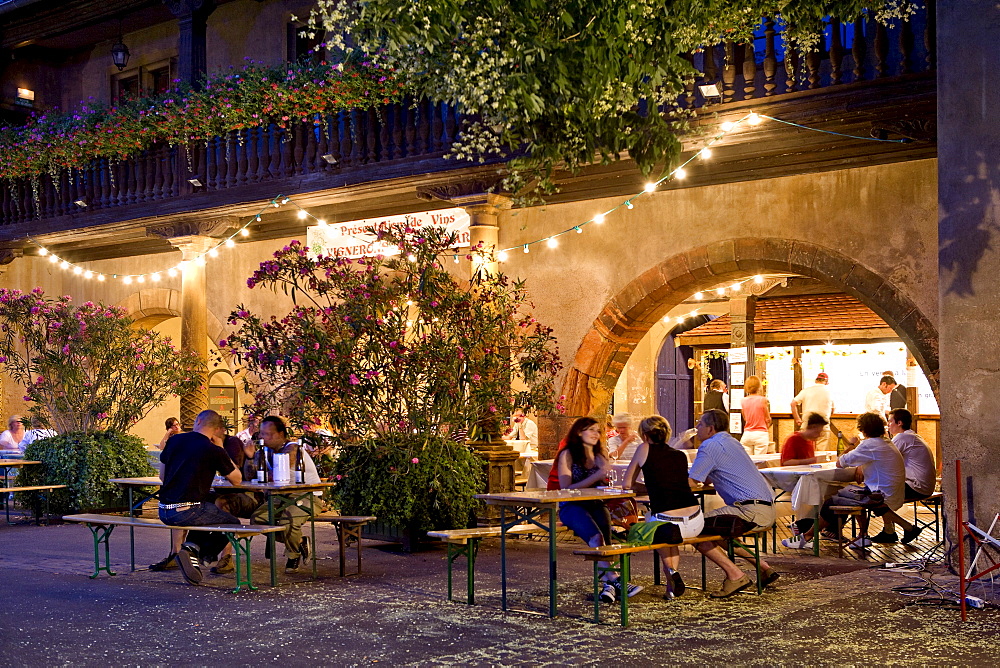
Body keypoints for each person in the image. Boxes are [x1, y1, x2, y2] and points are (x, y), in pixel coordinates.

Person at [688, 409, 780, 598]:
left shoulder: (710, 446)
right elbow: (706, 478)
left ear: (710, 428)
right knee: (718, 527)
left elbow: (692, 482)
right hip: (765, 508)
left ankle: (735, 575)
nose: (697, 428)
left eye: (700, 424)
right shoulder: (731, 442)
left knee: (693, 528)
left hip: (748, 510)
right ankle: (763, 568)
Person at [783, 412, 905, 551]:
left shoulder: (869, 444)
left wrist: (851, 445)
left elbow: (840, 463)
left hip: (880, 494)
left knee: (832, 501)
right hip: (892, 491)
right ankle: (860, 535)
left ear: (863, 429)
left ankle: (807, 537)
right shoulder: (885, 442)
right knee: (846, 493)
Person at [555, 417, 642, 604]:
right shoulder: (568, 454)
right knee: (596, 538)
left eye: (598, 431)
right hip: (572, 506)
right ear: (579, 432)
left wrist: (605, 481)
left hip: (596, 503)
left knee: (607, 544)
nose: (596, 434)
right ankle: (617, 581)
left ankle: (608, 585)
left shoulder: (599, 455)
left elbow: (604, 480)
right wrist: (597, 476)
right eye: (591, 430)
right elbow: (565, 488)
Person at [157, 409, 242, 585]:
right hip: (188, 509)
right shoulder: (212, 449)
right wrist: (220, 447)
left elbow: (162, 477)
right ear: (217, 428)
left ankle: (191, 552)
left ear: (198, 422)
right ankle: (192, 550)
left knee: (207, 511)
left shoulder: (174, 441)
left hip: (164, 510)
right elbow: (237, 480)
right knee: (232, 523)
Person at [624, 415, 701, 599]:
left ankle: (671, 571)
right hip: (696, 521)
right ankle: (670, 589)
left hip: (668, 521)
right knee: (669, 535)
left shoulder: (644, 448)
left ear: (644, 434)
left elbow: (627, 484)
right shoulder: (679, 455)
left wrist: (649, 487)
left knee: (653, 525)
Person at [252, 416, 313, 572]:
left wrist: (261, 464)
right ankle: (299, 542)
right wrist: (252, 456)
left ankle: (293, 555)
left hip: (306, 494)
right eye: (261, 434)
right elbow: (250, 474)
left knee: (288, 520)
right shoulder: (264, 451)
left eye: (266, 434)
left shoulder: (292, 447)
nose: (262, 437)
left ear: (280, 434)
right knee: (258, 519)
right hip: (281, 497)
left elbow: (281, 469)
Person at [870, 409, 936, 544]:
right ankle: (889, 531)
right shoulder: (912, 436)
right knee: (878, 491)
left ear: (899, 423)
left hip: (916, 486)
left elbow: (883, 458)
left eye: (890, 422)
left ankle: (907, 528)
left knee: (872, 498)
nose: (888, 425)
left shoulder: (902, 438)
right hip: (924, 485)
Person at [739, 376, 771, 455]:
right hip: (760, 434)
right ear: (759, 386)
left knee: (748, 463)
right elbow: (768, 419)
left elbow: (745, 418)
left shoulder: (743, 401)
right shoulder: (763, 400)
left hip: (747, 434)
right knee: (760, 463)